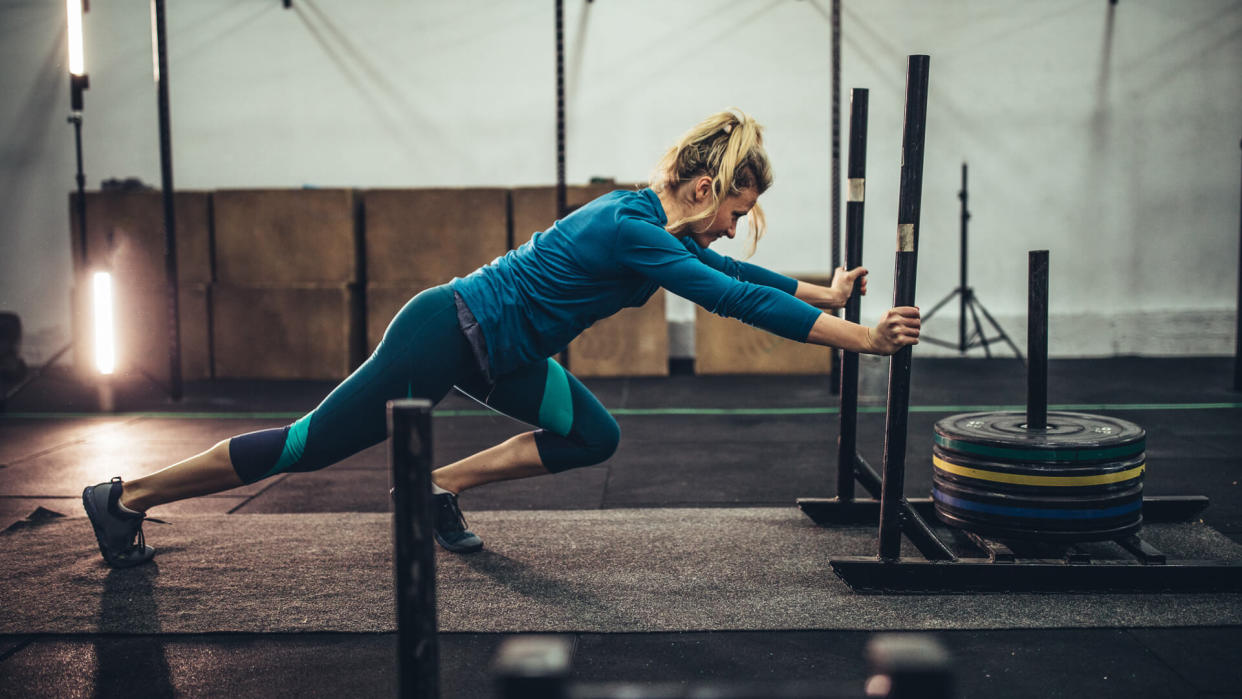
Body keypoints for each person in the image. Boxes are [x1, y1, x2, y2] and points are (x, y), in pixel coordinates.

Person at [82, 109, 921, 568]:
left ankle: (434, 485)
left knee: (593, 433)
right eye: (735, 212)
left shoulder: (661, 225)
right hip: (446, 331)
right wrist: (862, 338)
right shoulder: (635, 229)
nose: (735, 229)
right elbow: (732, 297)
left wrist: (823, 290)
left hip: (505, 353)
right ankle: (124, 498)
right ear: (705, 188)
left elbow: (741, 278)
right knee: (309, 445)